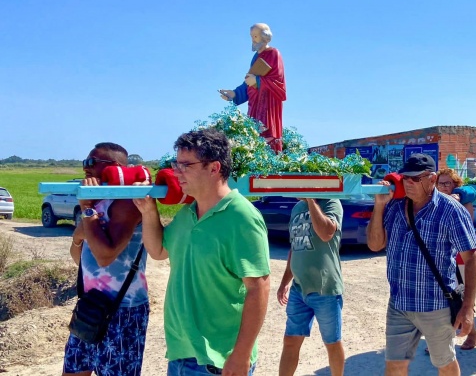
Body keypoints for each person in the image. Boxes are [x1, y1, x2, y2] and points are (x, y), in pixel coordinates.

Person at [133, 128, 270, 376]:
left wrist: (240, 356)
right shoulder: (187, 214)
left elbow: (259, 288)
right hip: (181, 354)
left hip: (218, 361)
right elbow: (158, 250)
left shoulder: (242, 217)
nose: (177, 172)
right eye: (176, 164)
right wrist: (148, 212)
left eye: (186, 165)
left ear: (214, 168)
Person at [367, 153, 476, 376]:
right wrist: (379, 206)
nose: (408, 183)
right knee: (394, 365)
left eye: (415, 179)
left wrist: (467, 308)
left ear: (432, 178)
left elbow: (472, 258)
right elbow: (374, 245)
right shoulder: (395, 206)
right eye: (405, 178)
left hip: (435, 305)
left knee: (444, 363)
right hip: (399, 303)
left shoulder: (451, 210)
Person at [63, 143, 148, 376]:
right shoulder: (99, 201)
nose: (86, 168)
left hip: (124, 309)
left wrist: (86, 209)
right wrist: (78, 237)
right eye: (85, 162)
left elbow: (105, 256)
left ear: (117, 169)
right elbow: (79, 258)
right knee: (74, 369)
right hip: (91, 303)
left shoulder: (128, 203)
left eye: (93, 163)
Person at [277, 198, 345, 376]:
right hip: (299, 289)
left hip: (326, 289)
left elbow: (326, 233)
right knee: (290, 341)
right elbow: (296, 246)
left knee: (332, 343)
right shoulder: (297, 208)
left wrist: (311, 200)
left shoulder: (331, 203)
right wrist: (285, 281)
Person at [218, 23, 286, 152]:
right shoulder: (256, 57)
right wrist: (234, 94)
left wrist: (258, 80)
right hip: (255, 104)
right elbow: (249, 81)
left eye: (255, 36)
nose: (253, 39)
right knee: (254, 136)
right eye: (251, 36)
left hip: (268, 104)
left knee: (267, 138)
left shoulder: (274, 53)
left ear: (264, 37)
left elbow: (278, 81)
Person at [435, 168, 476, 351]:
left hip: (461, 259)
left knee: (460, 298)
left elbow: (472, 192)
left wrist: (458, 198)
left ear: (455, 185)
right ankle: (441, 338)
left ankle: (472, 333)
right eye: (441, 183)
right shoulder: (433, 202)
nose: (444, 187)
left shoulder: (462, 203)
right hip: (440, 258)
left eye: (448, 183)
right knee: (440, 299)